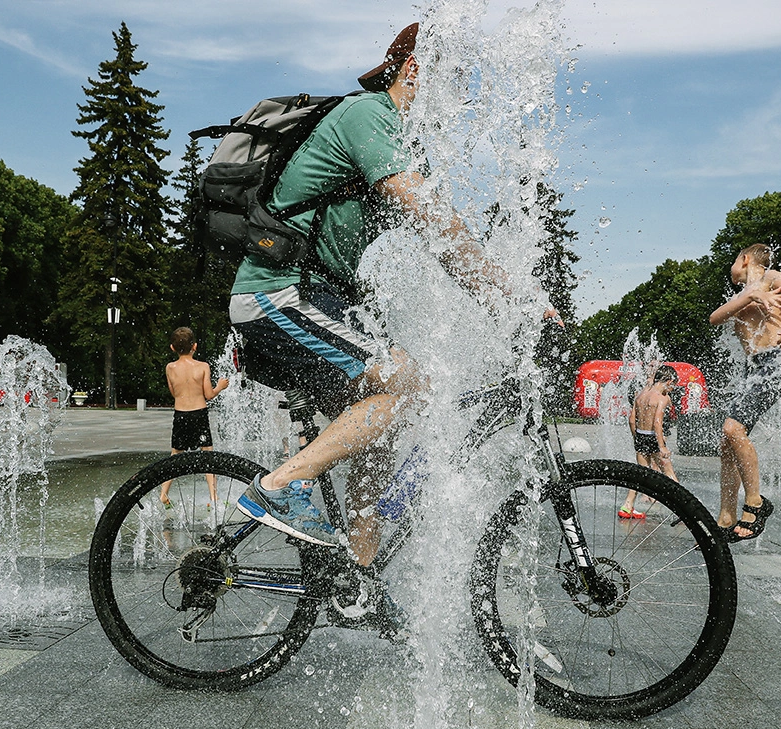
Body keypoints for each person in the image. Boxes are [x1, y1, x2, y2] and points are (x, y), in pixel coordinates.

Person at [228, 22, 557, 569]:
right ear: (414, 69)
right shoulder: (368, 115)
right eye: (454, 80)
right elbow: (432, 216)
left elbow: (443, 246)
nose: (461, 97)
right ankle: (279, 487)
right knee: (406, 385)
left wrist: (504, 304)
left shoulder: (396, 138)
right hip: (277, 297)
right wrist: (512, 292)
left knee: (380, 432)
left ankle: (359, 580)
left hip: (318, 301)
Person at [708, 244, 781, 542]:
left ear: (745, 259)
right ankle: (726, 517)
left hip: (777, 360)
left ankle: (755, 504)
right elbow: (715, 318)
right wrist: (750, 297)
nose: (731, 268)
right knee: (727, 443)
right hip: (755, 366)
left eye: (734, 261)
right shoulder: (745, 294)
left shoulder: (770, 278)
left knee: (733, 429)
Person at [159, 327, 230, 509]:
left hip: (180, 414)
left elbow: (174, 392)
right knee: (207, 454)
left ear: (172, 348)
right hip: (199, 414)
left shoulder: (170, 368)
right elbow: (208, 394)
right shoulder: (203, 366)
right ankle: (213, 497)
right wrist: (220, 386)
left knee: (175, 454)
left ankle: (163, 494)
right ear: (195, 346)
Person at [619, 364, 679, 519]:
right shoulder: (662, 398)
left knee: (640, 474)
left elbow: (632, 420)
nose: (672, 389)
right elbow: (657, 423)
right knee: (669, 472)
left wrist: (636, 439)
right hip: (653, 438)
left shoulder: (641, 395)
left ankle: (627, 506)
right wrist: (662, 446)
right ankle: (684, 508)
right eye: (673, 386)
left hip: (640, 435)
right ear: (669, 381)